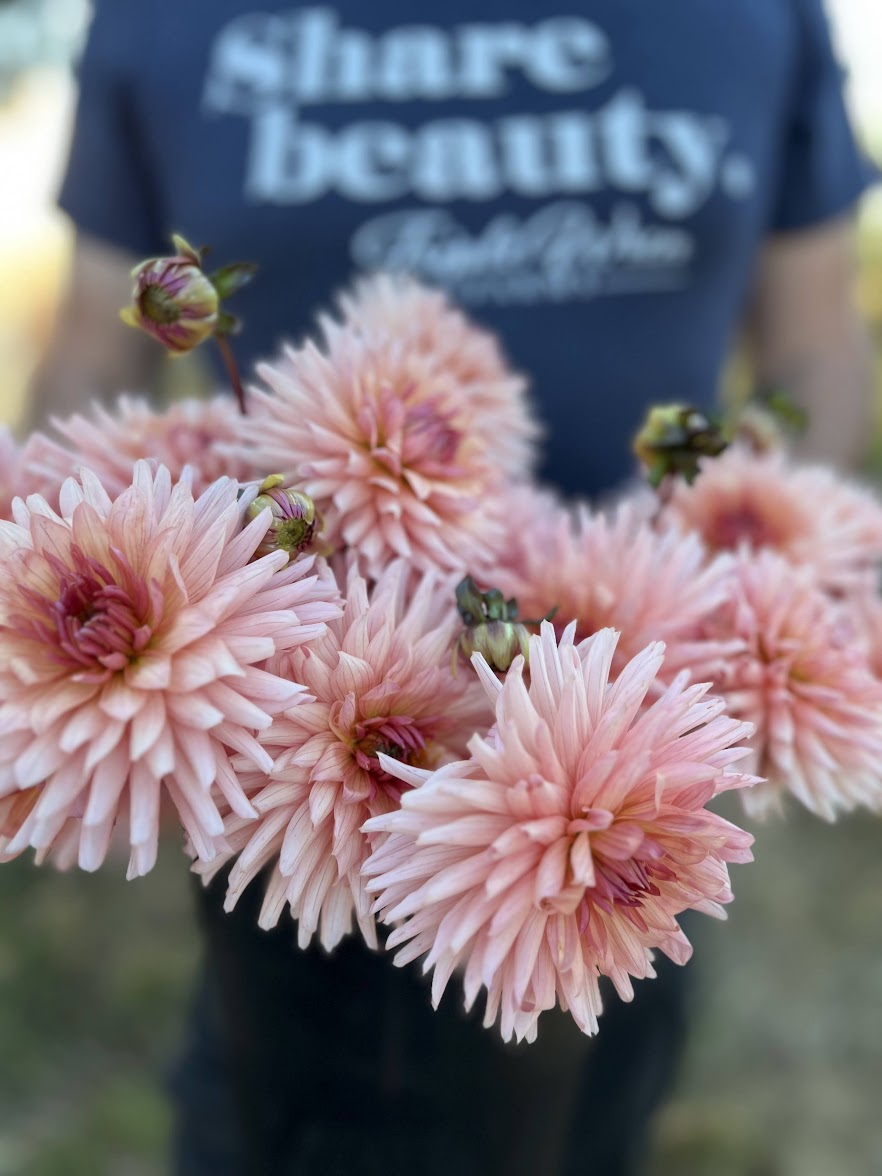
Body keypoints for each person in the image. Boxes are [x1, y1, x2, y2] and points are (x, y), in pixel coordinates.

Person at [32, 2, 873, 1172]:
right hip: (276, 737)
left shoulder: (760, 15)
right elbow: (89, 333)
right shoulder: (166, 16)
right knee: (270, 1113)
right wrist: (37, 510)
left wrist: (792, 566)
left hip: (637, 724)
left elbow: (817, 339)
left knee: (579, 1125)